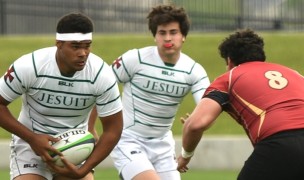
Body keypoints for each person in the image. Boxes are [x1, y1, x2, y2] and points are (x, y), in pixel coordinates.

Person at [0, 12, 123, 180]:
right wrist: (32, 138)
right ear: (59, 44)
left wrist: (83, 170)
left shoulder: (102, 75)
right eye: (75, 46)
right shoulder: (31, 66)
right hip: (31, 146)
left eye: (87, 45)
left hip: (74, 147)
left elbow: (113, 130)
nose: (83, 53)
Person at [177, 29, 304, 180]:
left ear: (229, 61)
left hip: (279, 144)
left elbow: (196, 125)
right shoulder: (294, 74)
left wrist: (185, 156)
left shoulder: (228, 78)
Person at [108, 4, 210, 180]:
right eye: (162, 33)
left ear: (183, 36)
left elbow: (208, 110)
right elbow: (100, 88)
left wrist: (196, 122)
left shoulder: (194, 71)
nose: (167, 38)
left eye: (173, 32)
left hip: (163, 146)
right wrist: (92, 127)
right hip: (128, 139)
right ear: (155, 36)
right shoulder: (135, 58)